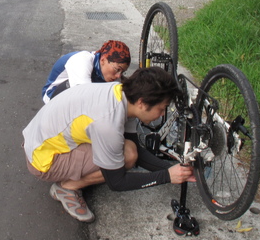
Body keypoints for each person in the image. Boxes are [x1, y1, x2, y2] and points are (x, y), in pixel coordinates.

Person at [23, 66, 195, 223]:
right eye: (162, 108)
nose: (162, 114)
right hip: (43, 160)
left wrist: (174, 169)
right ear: (142, 103)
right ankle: (66, 187)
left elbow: (137, 148)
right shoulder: (108, 123)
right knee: (126, 157)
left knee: (129, 150)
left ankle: (72, 176)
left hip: (41, 140)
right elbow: (117, 182)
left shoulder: (122, 93)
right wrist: (167, 176)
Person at [41, 40, 131, 104]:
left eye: (123, 72)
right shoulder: (82, 60)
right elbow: (84, 98)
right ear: (103, 60)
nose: (118, 75)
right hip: (53, 96)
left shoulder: (112, 73)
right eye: (117, 69)